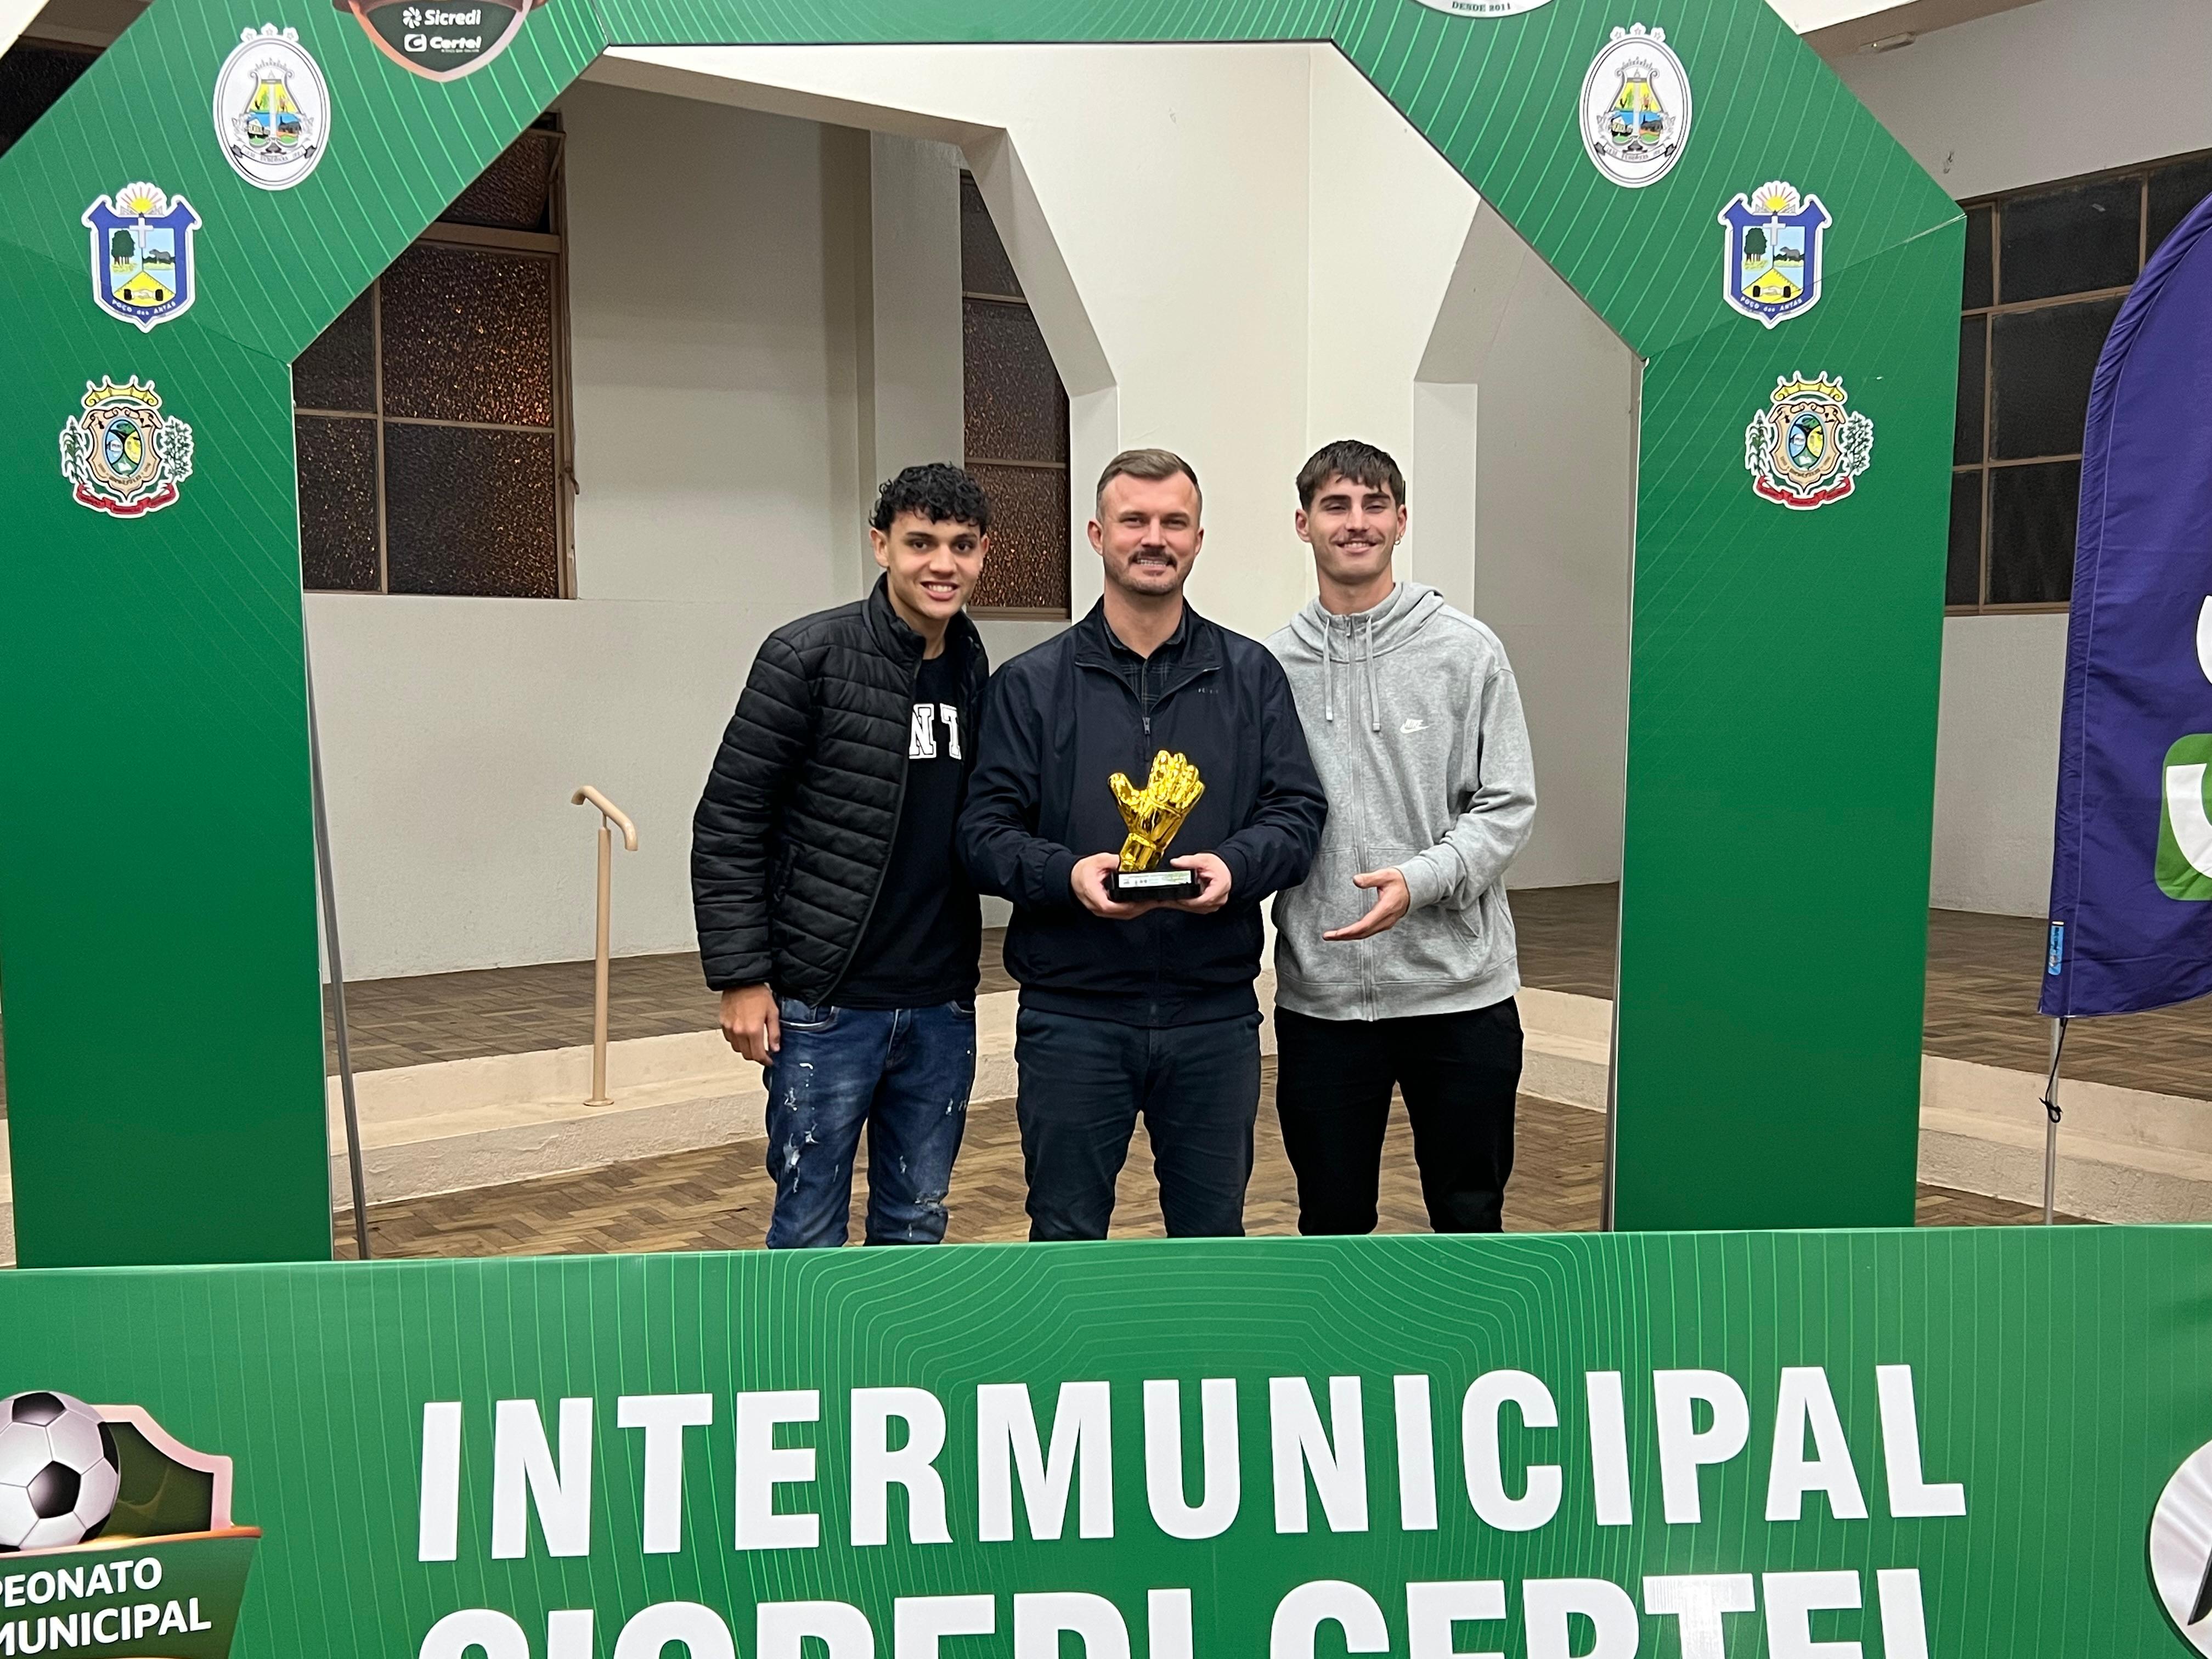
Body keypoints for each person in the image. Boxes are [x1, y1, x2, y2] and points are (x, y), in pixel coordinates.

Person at [961, 448, 1327, 1240]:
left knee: (1212, 1240)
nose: (1154, 538)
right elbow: (983, 833)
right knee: (1064, 1238)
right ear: (1098, 535)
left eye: (1173, 522)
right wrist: (1067, 876)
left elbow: (1298, 813)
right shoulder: (1031, 685)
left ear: (1198, 539)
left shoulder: (1251, 676)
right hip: (1072, 1018)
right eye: (1135, 521)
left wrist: (1234, 867)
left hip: (1213, 1019)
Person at [692, 463, 993, 1248]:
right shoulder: (806, 656)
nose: (942, 564)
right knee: (808, 1229)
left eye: (961, 545)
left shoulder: (972, 664)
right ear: (880, 546)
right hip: (824, 1007)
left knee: (916, 1224)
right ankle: (801, 1339)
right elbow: (729, 820)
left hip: (941, 1005)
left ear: (982, 554)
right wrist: (741, 977)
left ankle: (895, 1339)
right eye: (921, 543)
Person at [1267, 439, 1536, 1234]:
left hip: (1460, 992)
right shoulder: (1271, 666)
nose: (1356, 522)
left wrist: (1420, 881)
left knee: (1469, 1216)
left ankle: (1472, 1327)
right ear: (1304, 523)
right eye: (1335, 505)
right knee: (1331, 1223)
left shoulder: (1467, 650)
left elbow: (1508, 804)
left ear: (1401, 520)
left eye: (1374, 504)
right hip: (1322, 999)